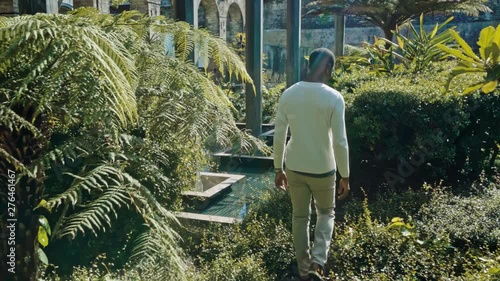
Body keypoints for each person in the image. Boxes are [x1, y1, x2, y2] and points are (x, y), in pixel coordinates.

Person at [273, 48, 350, 281]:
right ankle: (317, 264)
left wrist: (278, 168)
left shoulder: (288, 94)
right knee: (326, 213)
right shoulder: (334, 98)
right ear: (328, 68)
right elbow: (340, 141)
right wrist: (345, 175)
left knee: (299, 217)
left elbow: (279, 134)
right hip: (323, 169)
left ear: (309, 64)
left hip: (295, 166)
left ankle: (303, 268)